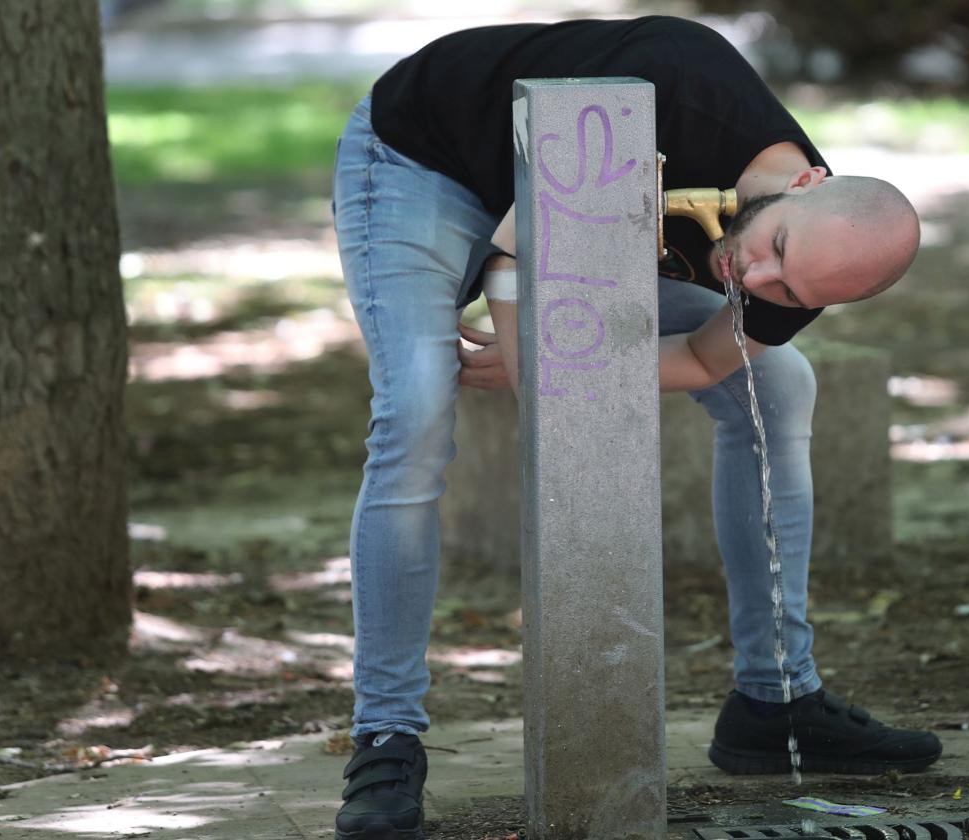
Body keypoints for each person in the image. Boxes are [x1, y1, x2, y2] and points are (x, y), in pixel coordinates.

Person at [331, 16, 938, 840]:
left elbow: (697, 359)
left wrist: (530, 364)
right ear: (805, 184)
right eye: (774, 252)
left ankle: (776, 700)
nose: (753, 279)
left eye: (789, 291)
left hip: (569, 228)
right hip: (426, 159)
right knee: (416, 407)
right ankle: (386, 735)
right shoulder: (675, 92)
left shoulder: (802, 273)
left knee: (780, 382)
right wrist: (541, 363)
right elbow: (517, 259)